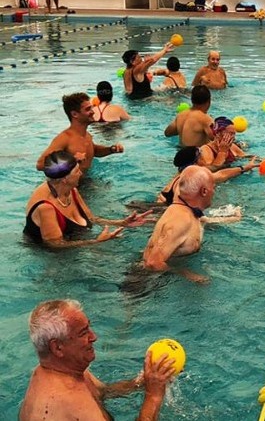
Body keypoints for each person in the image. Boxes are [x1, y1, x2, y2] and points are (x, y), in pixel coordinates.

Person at [19, 299, 174, 421]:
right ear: (58, 348)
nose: (93, 337)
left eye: (89, 328)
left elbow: (104, 392)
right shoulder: (70, 402)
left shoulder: (67, 371)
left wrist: (144, 381)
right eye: (83, 333)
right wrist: (153, 396)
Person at [25, 151, 151, 248]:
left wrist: (121, 223)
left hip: (74, 242)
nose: (81, 174)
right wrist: (95, 242)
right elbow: (55, 245)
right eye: (77, 171)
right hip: (49, 257)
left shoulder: (71, 190)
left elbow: (92, 219)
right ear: (64, 179)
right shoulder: (46, 207)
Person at [142, 166, 217, 283]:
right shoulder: (181, 219)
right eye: (214, 188)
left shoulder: (185, 210)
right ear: (204, 191)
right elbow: (152, 263)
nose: (214, 192)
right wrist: (189, 276)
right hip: (146, 285)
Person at [36, 92, 124, 173]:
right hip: (68, 187)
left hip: (85, 182)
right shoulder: (65, 138)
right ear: (75, 114)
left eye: (92, 108)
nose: (93, 112)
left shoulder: (86, 135)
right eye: (88, 109)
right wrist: (72, 160)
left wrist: (111, 149)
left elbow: (94, 151)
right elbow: (40, 165)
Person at [157, 146, 257, 205]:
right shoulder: (193, 177)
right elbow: (220, 175)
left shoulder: (179, 176)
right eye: (201, 156)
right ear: (196, 161)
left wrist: (245, 168)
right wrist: (245, 168)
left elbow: (221, 174)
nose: (203, 158)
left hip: (160, 208)